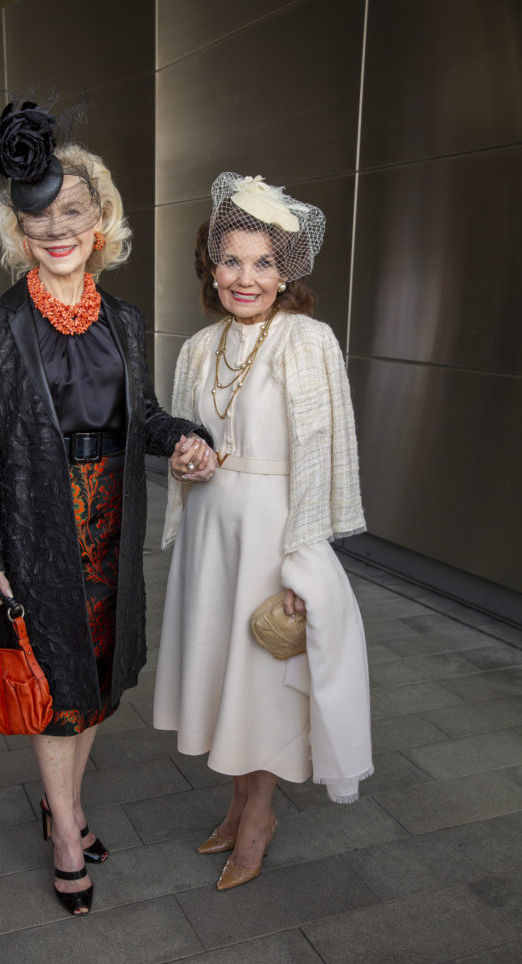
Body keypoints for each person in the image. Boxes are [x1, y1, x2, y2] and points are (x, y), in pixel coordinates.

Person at [0, 101, 215, 917]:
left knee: (96, 683)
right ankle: (66, 828)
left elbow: (140, 416)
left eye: (72, 211)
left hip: (109, 528)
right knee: (54, 685)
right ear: (18, 232)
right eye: (38, 219)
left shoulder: (128, 323)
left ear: (101, 218)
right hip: (37, 528)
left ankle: (56, 803)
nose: (56, 229)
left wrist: (184, 436)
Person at [154, 172, 373, 891]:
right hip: (212, 541)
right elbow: (193, 449)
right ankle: (236, 801)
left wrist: (303, 565)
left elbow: (324, 459)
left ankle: (258, 817)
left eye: (264, 263)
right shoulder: (195, 349)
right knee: (226, 679)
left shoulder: (307, 342)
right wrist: (188, 463)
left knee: (265, 684)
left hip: (275, 539)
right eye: (231, 260)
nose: (245, 277)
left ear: (287, 275)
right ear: (209, 266)